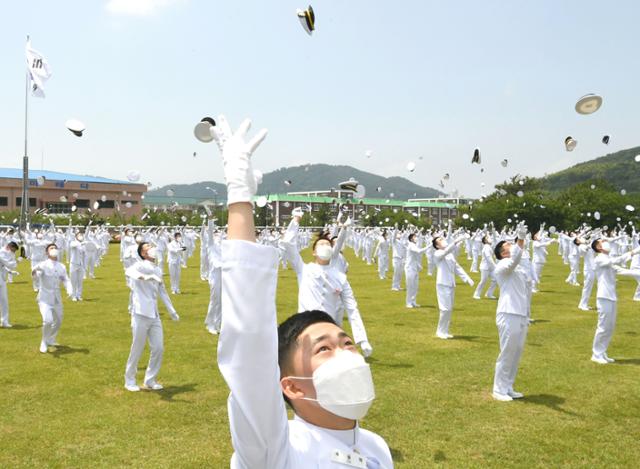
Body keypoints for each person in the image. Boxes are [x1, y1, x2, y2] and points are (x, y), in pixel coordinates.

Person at [214, 115, 393, 468]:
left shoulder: (377, 449)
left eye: (346, 344)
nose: (345, 354)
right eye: (323, 349)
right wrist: (239, 195)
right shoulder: (277, 449)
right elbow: (249, 342)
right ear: (291, 386)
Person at [282, 210, 373, 357]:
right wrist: (296, 220)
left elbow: (352, 308)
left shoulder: (340, 277)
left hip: (328, 329)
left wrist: (362, 339)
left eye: (327, 244)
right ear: (314, 252)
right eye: (321, 244)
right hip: (305, 328)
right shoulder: (304, 269)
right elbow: (287, 243)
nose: (325, 246)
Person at [124, 242, 180, 392]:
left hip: (154, 315)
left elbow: (163, 291)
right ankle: (129, 380)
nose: (152, 247)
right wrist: (144, 277)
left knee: (158, 348)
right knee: (137, 347)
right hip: (140, 313)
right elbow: (129, 272)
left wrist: (171, 310)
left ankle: (150, 380)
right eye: (147, 247)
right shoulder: (140, 265)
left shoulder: (157, 269)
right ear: (143, 253)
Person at [491, 223, 529, 401]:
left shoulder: (516, 265)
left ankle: (508, 386)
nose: (511, 244)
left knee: (517, 351)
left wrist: (521, 242)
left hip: (520, 312)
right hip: (508, 313)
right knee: (507, 351)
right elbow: (515, 259)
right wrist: (520, 239)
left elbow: (519, 258)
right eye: (507, 244)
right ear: (502, 253)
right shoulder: (502, 265)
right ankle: (498, 389)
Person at [589, 239, 640, 364]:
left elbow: (622, 270)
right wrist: (634, 252)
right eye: (602, 242)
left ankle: (602, 352)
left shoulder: (607, 259)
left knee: (610, 327)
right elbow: (616, 260)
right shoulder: (600, 258)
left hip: (611, 296)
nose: (606, 242)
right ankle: (596, 354)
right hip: (603, 297)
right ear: (599, 248)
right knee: (603, 327)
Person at [31, 243, 72, 354]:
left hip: (57, 298)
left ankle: (51, 338)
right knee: (47, 320)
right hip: (44, 298)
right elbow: (35, 277)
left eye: (55, 248)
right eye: (51, 248)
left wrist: (69, 289)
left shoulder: (61, 266)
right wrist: (35, 271)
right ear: (47, 252)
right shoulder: (43, 265)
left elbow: (65, 279)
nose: (54, 250)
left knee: (58, 321)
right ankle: (43, 341)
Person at [432, 235, 474, 339]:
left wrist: (467, 278)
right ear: (437, 246)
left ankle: (445, 331)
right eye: (440, 240)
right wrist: (455, 241)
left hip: (450, 283)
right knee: (444, 309)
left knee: (449, 309)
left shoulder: (449, 255)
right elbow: (445, 251)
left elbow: (457, 267)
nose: (443, 240)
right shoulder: (437, 253)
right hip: (442, 284)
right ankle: (440, 331)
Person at [404, 232, 428, 308]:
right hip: (409, 268)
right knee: (410, 286)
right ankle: (408, 303)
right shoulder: (411, 245)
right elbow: (419, 251)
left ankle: (413, 301)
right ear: (411, 239)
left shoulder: (414, 245)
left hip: (414, 268)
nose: (416, 238)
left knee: (415, 286)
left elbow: (415, 258)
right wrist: (430, 245)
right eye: (415, 237)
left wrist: (418, 266)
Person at [0, 241, 19, 328]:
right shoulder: (2, 252)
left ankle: (4, 321)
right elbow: (9, 264)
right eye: (13, 250)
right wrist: (18, 260)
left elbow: (3, 266)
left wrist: (10, 272)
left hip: (2, 279)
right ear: (9, 247)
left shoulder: (5, 252)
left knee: (4, 301)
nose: (13, 252)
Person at [473, 233, 497, 299]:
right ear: (485, 241)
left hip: (490, 267)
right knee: (483, 281)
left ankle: (489, 294)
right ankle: (476, 294)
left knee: (495, 279)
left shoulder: (489, 247)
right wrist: (495, 266)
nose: (490, 238)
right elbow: (489, 258)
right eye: (488, 238)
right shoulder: (486, 247)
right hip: (485, 268)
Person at [68, 231, 86, 301]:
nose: (80, 236)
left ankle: (79, 295)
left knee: (80, 281)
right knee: (73, 281)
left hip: (80, 264)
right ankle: (73, 296)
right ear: (76, 237)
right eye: (79, 235)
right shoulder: (73, 242)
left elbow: (84, 255)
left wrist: (84, 265)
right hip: (73, 264)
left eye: (81, 235)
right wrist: (81, 243)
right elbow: (73, 245)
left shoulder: (83, 245)